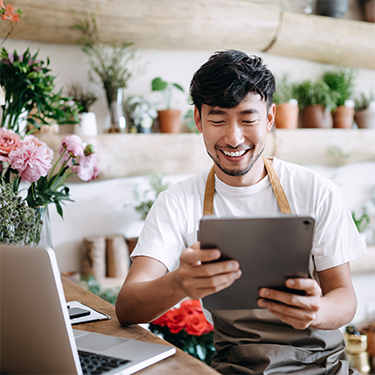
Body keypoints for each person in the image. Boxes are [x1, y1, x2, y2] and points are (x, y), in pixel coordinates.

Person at [116, 50, 366, 374]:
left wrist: (317, 310)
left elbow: (344, 297)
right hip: (237, 368)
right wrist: (179, 282)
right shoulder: (177, 202)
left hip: (323, 366)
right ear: (197, 120)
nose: (233, 138)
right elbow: (127, 306)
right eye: (218, 120)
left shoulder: (315, 190)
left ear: (270, 118)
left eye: (248, 119)